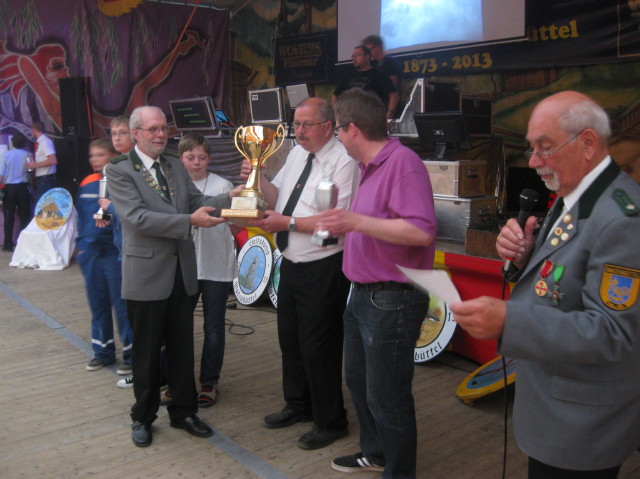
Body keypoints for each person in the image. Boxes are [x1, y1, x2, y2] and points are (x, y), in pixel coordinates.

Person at [450, 91, 640, 479]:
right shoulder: (575, 195)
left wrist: (510, 321)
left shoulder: (622, 218)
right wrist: (524, 257)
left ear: (588, 143)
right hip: (554, 407)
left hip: (582, 426)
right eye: (531, 148)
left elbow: (613, 333)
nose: (534, 161)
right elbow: (564, 277)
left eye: (545, 147)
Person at [318, 88, 436, 478]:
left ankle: (399, 471)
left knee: (388, 394)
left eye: (338, 129)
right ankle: (376, 452)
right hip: (364, 293)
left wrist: (354, 222)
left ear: (352, 129)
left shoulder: (403, 163)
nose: (337, 136)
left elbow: (420, 232)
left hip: (392, 298)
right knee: (359, 380)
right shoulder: (369, 167)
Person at [106, 105, 233, 448]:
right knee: (147, 353)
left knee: (181, 348)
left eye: (164, 128)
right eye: (153, 129)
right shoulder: (119, 169)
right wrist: (189, 221)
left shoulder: (175, 165)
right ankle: (143, 417)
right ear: (136, 133)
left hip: (181, 273)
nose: (161, 134)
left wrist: (232, 198)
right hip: (146, 274)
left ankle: (184, 412)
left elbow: (198, 200)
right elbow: (137, 218)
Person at [241, 97, 359, 450]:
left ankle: (330, 421)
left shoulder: (344, 161)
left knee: (319, 346)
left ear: (328, 126)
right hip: (290, 262)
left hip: (324, 265)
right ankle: (298, 404)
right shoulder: (296, 154)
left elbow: (334, 221)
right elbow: (278, 197)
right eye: (295, 124)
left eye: (307, 125)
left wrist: (286, 223)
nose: (299, 131)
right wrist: (258, 175)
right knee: (290, 341)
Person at [179, 133, 237, 407]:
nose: (196, 162)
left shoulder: (223, 185)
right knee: (179, 325)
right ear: (181, 158)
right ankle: (177, 380)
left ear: (209, 158)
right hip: (186, 265)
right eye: (190, 157)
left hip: (215, 264)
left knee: (214, 326)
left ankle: (209, 381)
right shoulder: (176, 185)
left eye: (202, 157)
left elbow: (234, 221)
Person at [76, 138, 133, 375]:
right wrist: (81, 248)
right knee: (97, 304)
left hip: (112, 252)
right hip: (90, 254)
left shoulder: (120, 182)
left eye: (100, 155)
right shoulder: (87, 183)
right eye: (92, 155)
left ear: (112, 156)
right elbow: (81, 217)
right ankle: (102, 351)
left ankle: (130, 355)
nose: (95, 160)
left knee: (122, 306)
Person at [332, 45, 399, 120]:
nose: (354, 58)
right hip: (351, 119)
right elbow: (335, 96)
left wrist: (388, 117)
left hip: (372, 119)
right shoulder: (348, 76)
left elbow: (394, 95)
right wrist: (337, 117)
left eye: (357, 55)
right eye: (353, 56)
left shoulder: (378, 75)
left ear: (367, 57)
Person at [0, 132, 32, 252]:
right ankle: (24, 244)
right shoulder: (28, 154)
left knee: (9, 216)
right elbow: (31, 171)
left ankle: (8, 244)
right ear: (24, 143)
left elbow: (1, 175)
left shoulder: (7, 155)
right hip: (23, 187)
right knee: (24, 216)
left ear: (12, 143)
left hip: (9, 188)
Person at [27, 120, 57, 204]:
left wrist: (35, 165)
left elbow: (53, 160)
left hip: (46, 178)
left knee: (41, 205)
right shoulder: (40, 142)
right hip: (42, 178)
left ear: (34, 129)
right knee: (43, 204)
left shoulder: (45, 142)